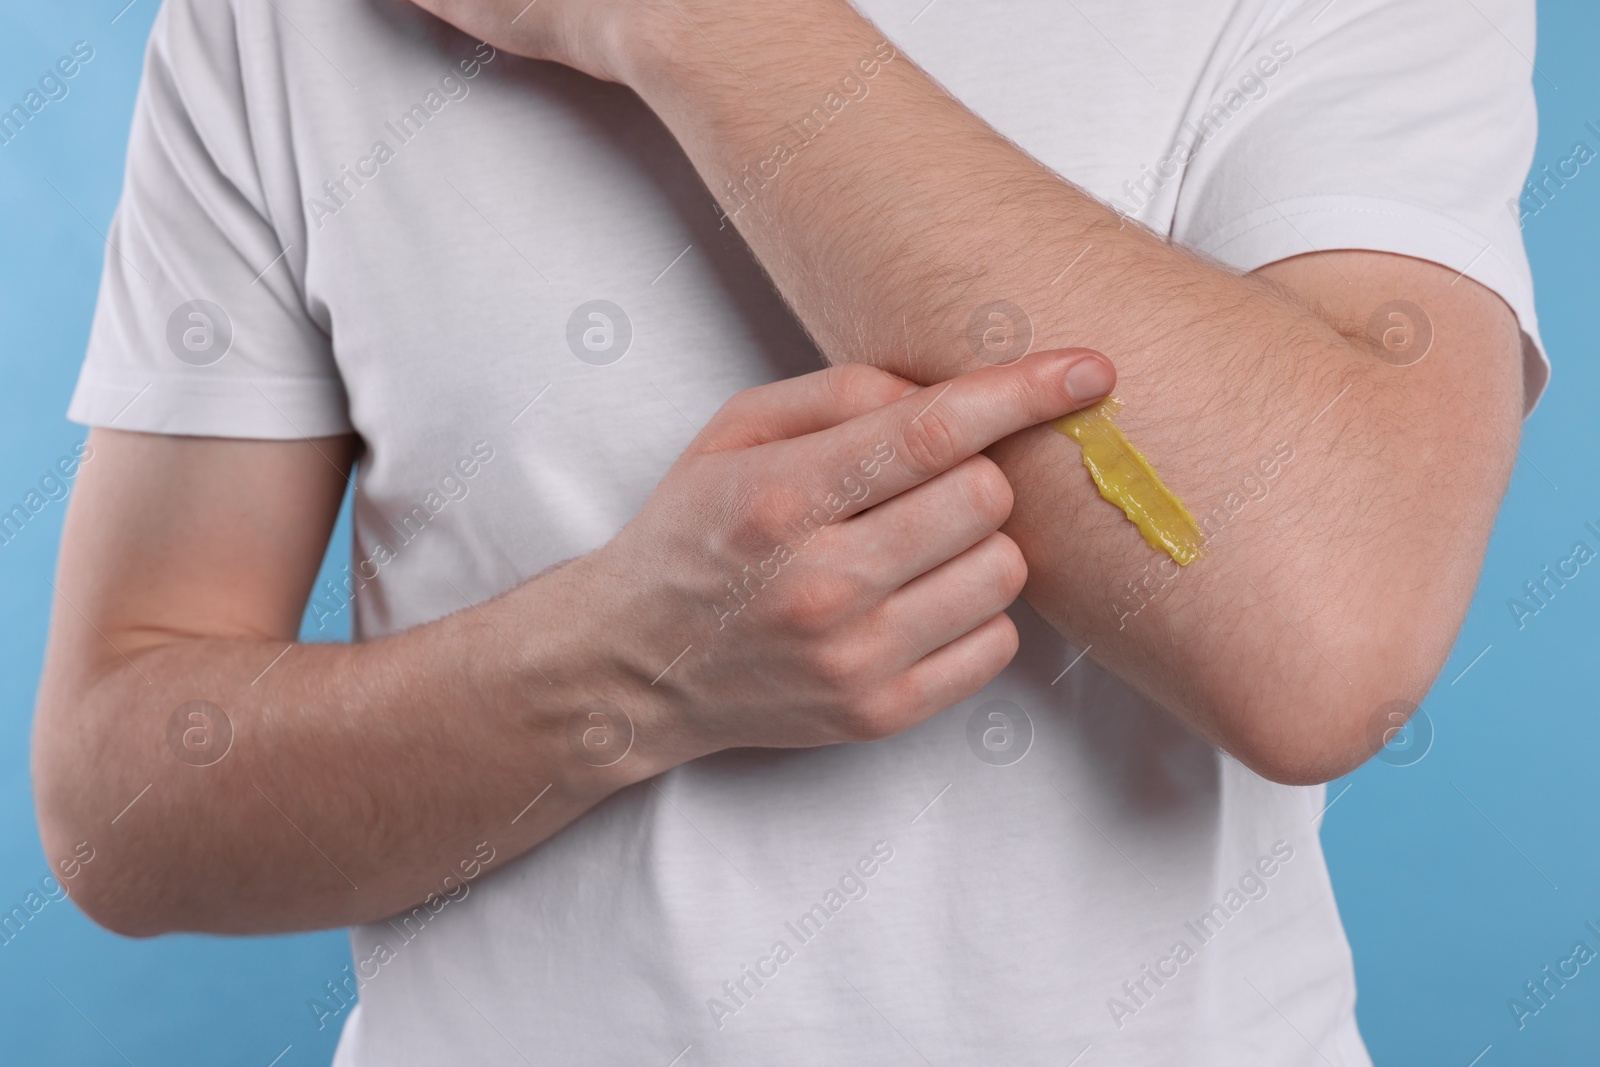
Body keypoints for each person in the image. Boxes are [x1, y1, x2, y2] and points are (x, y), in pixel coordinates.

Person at [34, 0, 1544, 1061]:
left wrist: (701, 23)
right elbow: (120, 804)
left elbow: (1329, 641)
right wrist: (627, 671)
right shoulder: (286, 23)